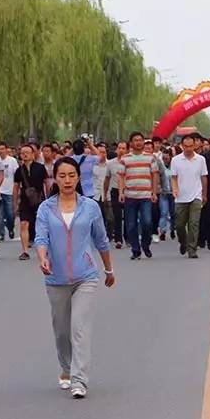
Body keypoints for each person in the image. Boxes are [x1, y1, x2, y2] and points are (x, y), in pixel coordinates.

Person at [35, 157, 114, 399]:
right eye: (62, 175)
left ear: (79, 178)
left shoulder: (90, 207)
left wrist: (108, 269)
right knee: (61, 331)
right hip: (55, 277)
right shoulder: (45, 208)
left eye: (72, 175)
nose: (67, 180)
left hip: (85, 276)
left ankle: (80, 380)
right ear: (55, 179)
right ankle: (66, 369)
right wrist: (42, 258)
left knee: (79, 328)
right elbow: (41, 238)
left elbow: (101, 240)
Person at [117, 132, 160, 260]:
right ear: (131, 143)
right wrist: (121, 192)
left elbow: (155, 175)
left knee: (147, 222)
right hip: (130, 196)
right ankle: (135, 250)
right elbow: (120, 176)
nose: (138, 142)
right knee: (130, 225)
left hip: (146, 196)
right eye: (135, 140)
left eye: (140, 140)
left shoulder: (150, 158)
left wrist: (154, 192)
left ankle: (145, 244)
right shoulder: (125, 159)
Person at [171, 134, 209, 258]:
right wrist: (175, 189)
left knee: (194, 223)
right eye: (185, 146)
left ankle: (192, 249)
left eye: (190, 146)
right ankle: (183, 242)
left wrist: (204, 194)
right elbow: (174, 178)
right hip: (181, 197)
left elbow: (204, 177)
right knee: (180, 225)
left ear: (195, 145)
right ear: (182, 146)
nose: (188, 148)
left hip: (196, 196)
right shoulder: (176, 160)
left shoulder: (201, 160)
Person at [14, 143, 48, 261]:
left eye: (27, 153)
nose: (25, 155)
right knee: (24, 223)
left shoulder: (40, 167)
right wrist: (15, 203)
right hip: (25, 200)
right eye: (22, 153)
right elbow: (16, 187)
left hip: (40, 200)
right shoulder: (19, 170)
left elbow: (47, 183)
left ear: (33, 155)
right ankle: (25, 251)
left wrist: (49, 198)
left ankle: (46, 248)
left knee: (42, 225)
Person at [0, 142, 19, 242]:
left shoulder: (12, 161)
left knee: (10, 214)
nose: (0, 151)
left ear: (6, 149)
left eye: (2, 149)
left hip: (9, 191)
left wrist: (17, 190)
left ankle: (10, 228)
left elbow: (17, 176)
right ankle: (1, 234)